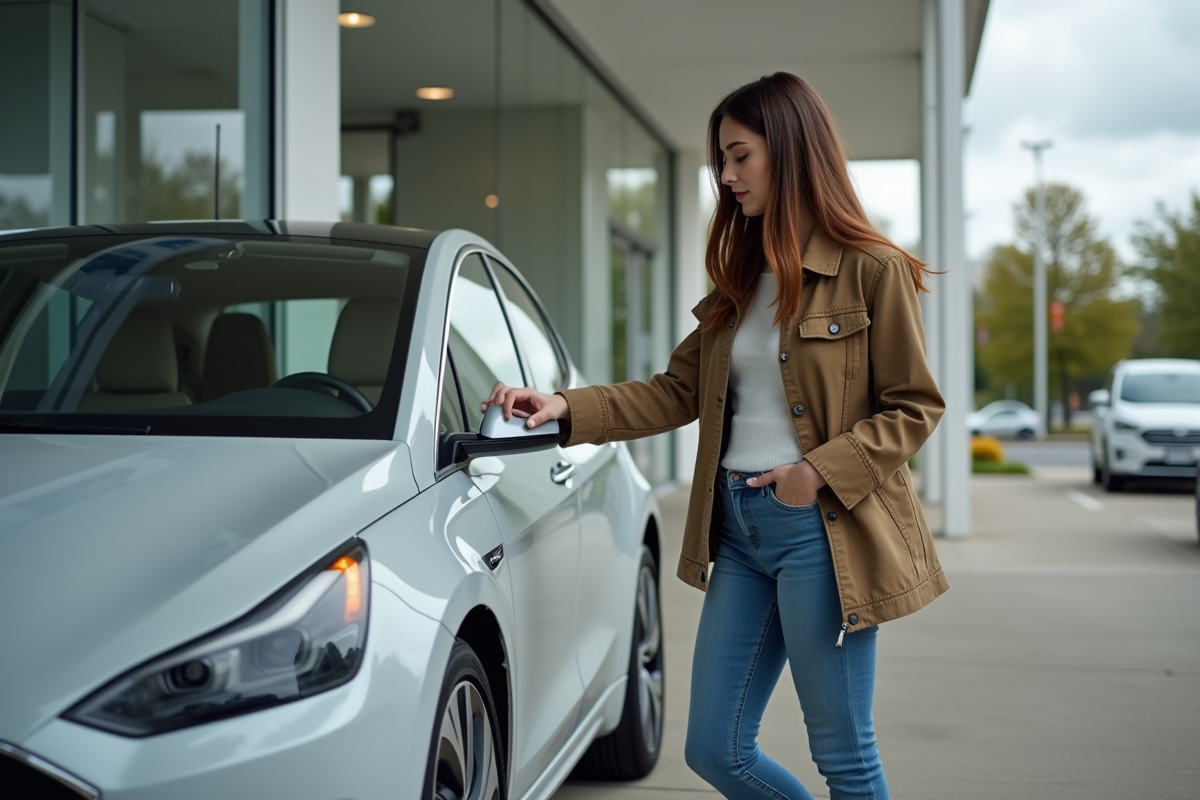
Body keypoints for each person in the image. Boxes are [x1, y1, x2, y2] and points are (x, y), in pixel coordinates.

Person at [483, 72, 947, 800]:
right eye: (721, 162)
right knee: (715, 751)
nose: (726, 177)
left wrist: (816, 471)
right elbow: (674, 392)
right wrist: (563, 408)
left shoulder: (871, 270)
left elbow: (914, 406)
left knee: (844, 756)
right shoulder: (741, 279)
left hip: (819, 532)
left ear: (790, 152)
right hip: (735, 532)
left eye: (740, 157)